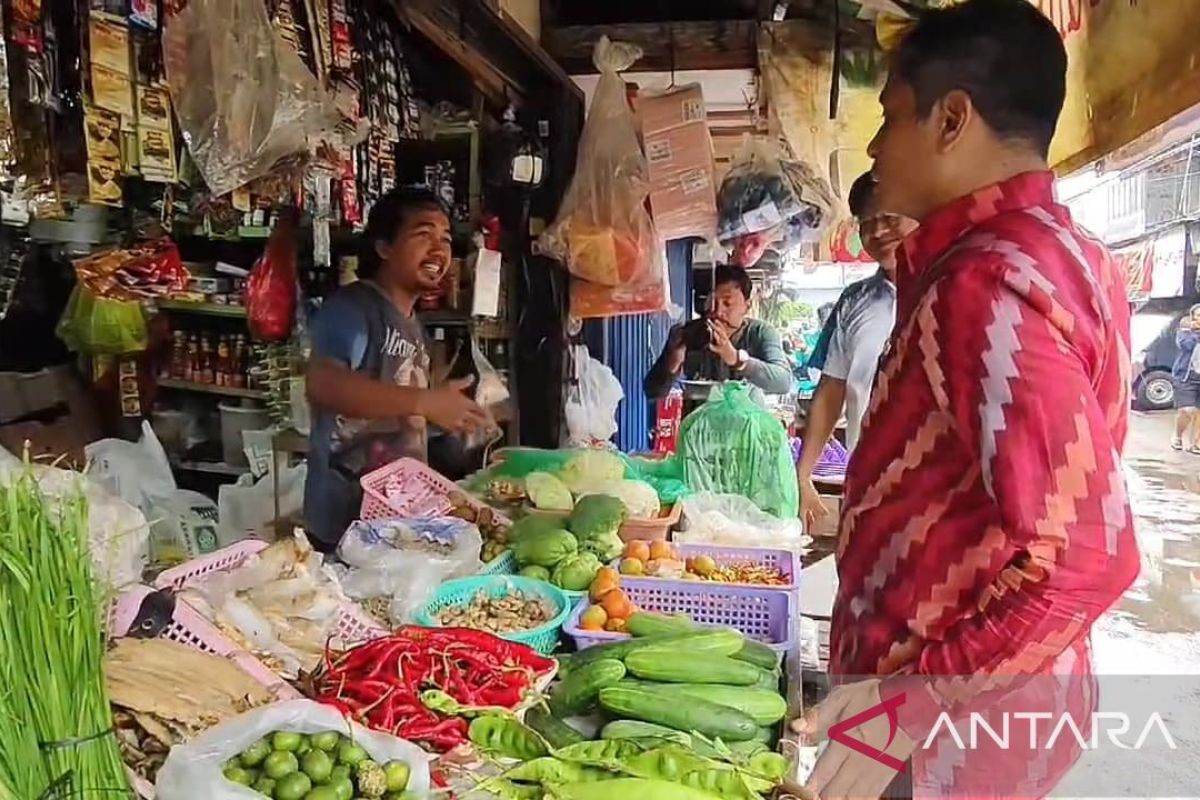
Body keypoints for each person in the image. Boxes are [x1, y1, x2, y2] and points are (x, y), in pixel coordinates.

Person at [790, 2, 1140, 799]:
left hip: (949, 729)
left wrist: (912, 701)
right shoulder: (1075, 254)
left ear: (952, 119)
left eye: (891, 117)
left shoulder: (984, 283)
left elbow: (1088, 557)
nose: (875, 148)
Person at [303, 187, 489, 552]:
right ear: (384, 246)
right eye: (423, 235)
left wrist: (452, 415)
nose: (439, 250)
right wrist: (424, 401)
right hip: (344, 525)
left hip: (394, 520)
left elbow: (400, 406)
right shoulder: (355, 308)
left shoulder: (411, 322)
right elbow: (323, 384)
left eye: (446, 239)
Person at [797, 172, 917, 529]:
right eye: (867, 223)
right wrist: (803, 476)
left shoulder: (955, 287)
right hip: (867, 485)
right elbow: (832, 389)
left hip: (937, 492)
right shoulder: (856, 300)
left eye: (889, 218)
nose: (878, 232)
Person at [643, 264, 792, 399]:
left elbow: (783, 382)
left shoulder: (760, 333)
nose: (718, 311)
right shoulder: (688, 333)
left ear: (747, 306)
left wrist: (736, 359)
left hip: (747, 426)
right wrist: (673, 361)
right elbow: (652, 392)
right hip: (700, 425)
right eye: (712, 303)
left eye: (728, 304)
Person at [1171, 304, 1200, 454]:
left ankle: (1195, 443)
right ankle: (1177, 435)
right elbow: (1186, 345)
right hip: (1185, 376)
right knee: (1188, 410)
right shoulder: (1185, 329)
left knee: (1198, 412)